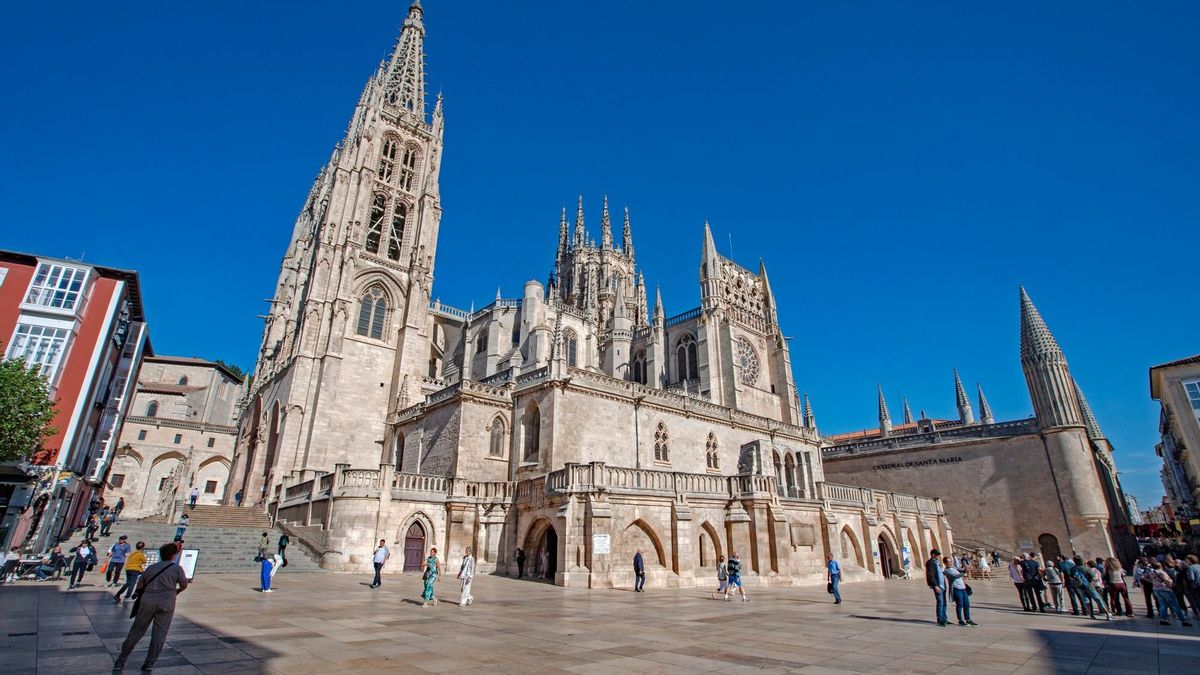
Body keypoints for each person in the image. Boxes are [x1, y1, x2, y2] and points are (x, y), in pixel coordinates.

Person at [112, 543, 189, 671]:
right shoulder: (177, 568)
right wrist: (176, 591)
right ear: (174, 555)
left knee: (136, 631)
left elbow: (140, 585)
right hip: (166, 602)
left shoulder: (151, 568)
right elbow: (184, 584)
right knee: (160, 634)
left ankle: (121, 660)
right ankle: (150, 662)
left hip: (148, 601)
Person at [1148, 560, 1192, 626]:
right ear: (1160, 566)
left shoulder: (1152, 572)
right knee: (1175, 605)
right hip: (1166, 590)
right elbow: (1167, 581)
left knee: (1163, 605)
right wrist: (1170, 586)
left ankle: (1162, 619)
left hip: (1157, 590)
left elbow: (1144, 577)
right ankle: (1183, 620)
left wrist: (1154, 582)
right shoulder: (1162, 572)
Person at [943, 555, 976, 626]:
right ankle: (960, 620)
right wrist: (964, 572)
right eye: (948, 562)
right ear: (945, 563)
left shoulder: (954, 568)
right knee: (959, 604)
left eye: (950, 561)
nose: (950, 563)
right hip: (956, 589)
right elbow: (956, 576)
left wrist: (967, 568)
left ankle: (968, 619)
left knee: (966, 604)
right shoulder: (946, 571)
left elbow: (962, 569)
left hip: (963, 588)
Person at [926, 548, 948, 626]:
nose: (939, 556)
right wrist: (935, 585)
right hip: (938, 585)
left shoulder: (937, 562)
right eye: (937, 554)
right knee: (940, 602)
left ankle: (944, 618)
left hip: (943, 585)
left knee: (944, 603)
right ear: (933, 555)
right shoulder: (930, 562)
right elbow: (931, 575)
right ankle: (940, 619)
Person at [1185, 555, 1200, 619]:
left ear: (1190, 561)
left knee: (1197, 600)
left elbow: (1191, 578)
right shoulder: (1199, 565)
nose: (1186, 562)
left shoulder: (1190, 568)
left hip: (1195, 586)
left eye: (1186, 561)